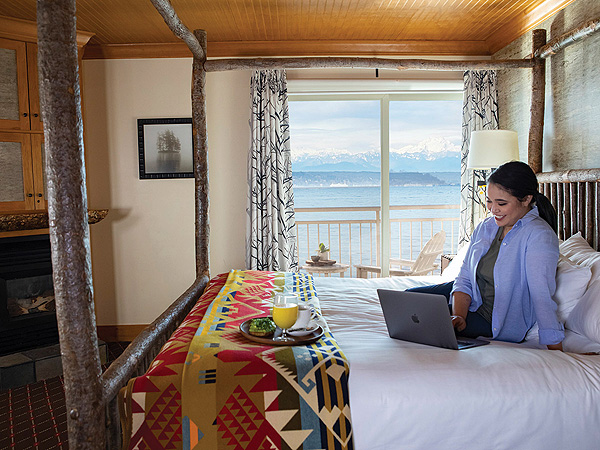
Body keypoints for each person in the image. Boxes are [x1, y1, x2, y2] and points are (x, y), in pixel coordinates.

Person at [407, 161, 564, 350]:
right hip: (472, 296)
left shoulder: (539, 236)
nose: (493, 209)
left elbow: (541, 296)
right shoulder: (486, 227)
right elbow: (465, 277)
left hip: (493, 318)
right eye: (489, 200)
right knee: (408, 302)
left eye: (501, 203)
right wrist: (459, 316)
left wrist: (558, 352)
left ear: (526, 199)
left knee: (422, 320)